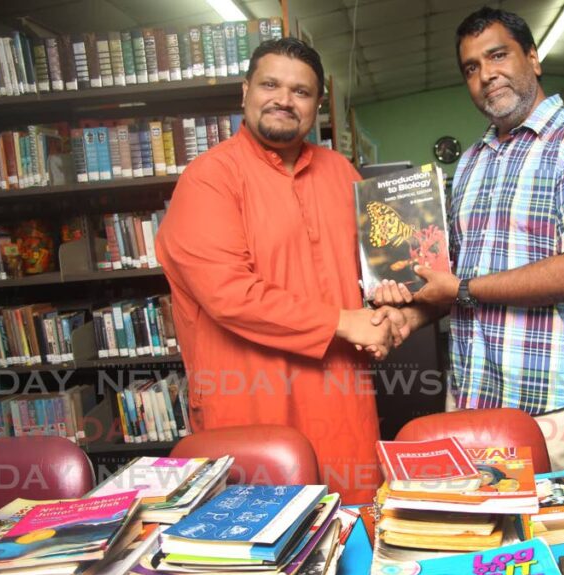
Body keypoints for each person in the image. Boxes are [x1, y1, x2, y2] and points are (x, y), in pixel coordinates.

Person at [372, 7, 564, 472]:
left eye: (498, 55)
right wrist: (409, 317)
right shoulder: (469, 162)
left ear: (532, 57)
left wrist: (462, 288)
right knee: (476, 536)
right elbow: (452, 281)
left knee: (546, 539)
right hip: (470, 398)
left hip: (546, 406)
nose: (487, 75)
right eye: (472, 67)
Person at [154, 38, 406, 504]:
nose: (284, 100)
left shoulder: (341, 172)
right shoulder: (209, 178)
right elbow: (229, 294)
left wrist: (388, 311)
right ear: (245, 91)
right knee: (256, 549)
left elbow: (376, 272)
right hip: (249, 403)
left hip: (342, 401)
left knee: (354, 532)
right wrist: (343, 321)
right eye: (270, 84)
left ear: (316, 106)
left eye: (301, 91)